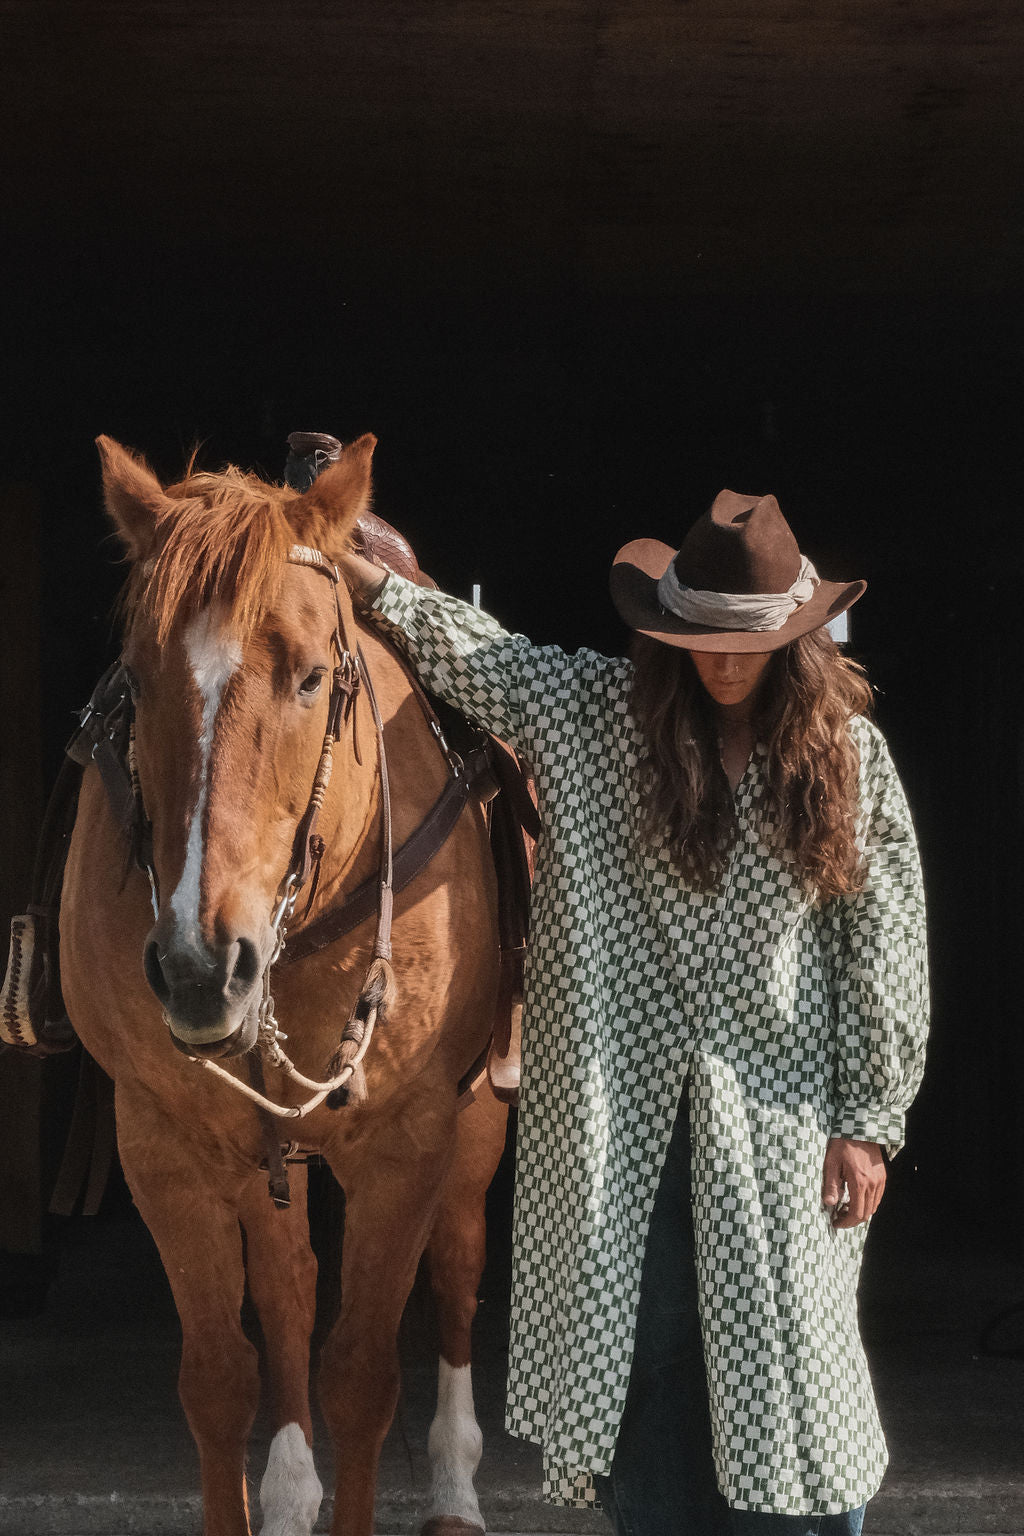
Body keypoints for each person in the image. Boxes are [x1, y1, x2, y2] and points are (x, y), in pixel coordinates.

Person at [338, 488, 929, 1536]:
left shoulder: (845, 758)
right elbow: (485, 654)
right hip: (620, 1122)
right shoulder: (595, 721)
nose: (725, 661)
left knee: (789, 1340)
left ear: (794, 640)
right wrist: (368, 576)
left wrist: (867, 1120)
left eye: (747, 643)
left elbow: (881, 949)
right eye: (702, 639)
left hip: (784, 1117)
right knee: (643, 1348)